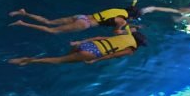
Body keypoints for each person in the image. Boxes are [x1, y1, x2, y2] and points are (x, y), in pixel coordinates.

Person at [8, 28, 147, 66]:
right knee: (58, 61)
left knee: (65, 57)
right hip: (92, 53)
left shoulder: (122, 37)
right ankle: (28, 61)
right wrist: (95, 60)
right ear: (138, 43)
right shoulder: (130, 50)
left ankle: (69, 55)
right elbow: (111, 55)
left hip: (88, 44)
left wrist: (79, 42)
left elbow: (99, 37)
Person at [8, 1, 141, 35]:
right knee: (52, 31)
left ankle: (24, 13)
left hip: (82, 16)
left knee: (49, 22)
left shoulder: (117, 10)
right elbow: (116, 31)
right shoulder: (122, 20)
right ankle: (22, 23)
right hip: (84, 24)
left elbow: (109, 19)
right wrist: (130, 30)